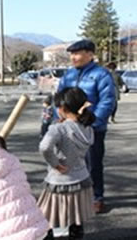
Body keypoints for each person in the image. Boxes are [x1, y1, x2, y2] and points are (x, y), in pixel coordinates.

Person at [57, 39, 115, 214]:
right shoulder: (68, 75)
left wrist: (92, 122)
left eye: (77, 53)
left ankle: (97, 197)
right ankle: (76, 196)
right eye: (71, 54)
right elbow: (59, 98)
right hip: (69, 128)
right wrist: (59, 116)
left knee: (93, 164)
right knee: (70, 163)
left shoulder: (101, 75)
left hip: (92, 129)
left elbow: (107, 101)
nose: (73, 57)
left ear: (90, 54)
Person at [37, 87, 96, 240]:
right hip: (81, 178)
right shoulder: (88, 128)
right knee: (76, 216)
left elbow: (44, 147)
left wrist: (55, 163)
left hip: (60, 181)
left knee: (51, 216)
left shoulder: (59, 129)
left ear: (62, 109)